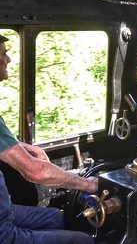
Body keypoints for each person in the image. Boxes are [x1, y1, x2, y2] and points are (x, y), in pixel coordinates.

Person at [0, 34, 97, 243]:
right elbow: (35, 172)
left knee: (56, 217)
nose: (8, 59)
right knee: (85, 241)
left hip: (4, 210)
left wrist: (20, 146)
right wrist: (88, 184)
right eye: (3, 53)